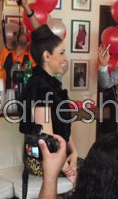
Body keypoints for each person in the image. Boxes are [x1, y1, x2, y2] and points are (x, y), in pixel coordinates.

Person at [20, 25, 78, 183]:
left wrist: (74, 152)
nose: (65, 59)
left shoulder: (52, 85)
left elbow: (64, 127)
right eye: (61, 53)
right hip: (42, 160)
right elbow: (46, 139)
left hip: (58, 155)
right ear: (46, 56)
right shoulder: (39, 87)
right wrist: (67, 168)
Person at [0, 0, 40, 88]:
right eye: (17, 33)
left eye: (22, 32)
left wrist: (25, 6)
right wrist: (1, 0)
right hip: (5, 96)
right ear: (11, 39)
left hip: (27, 97)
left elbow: (40, 32)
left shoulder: (32, 56)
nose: (20, 33)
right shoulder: (4, 54)